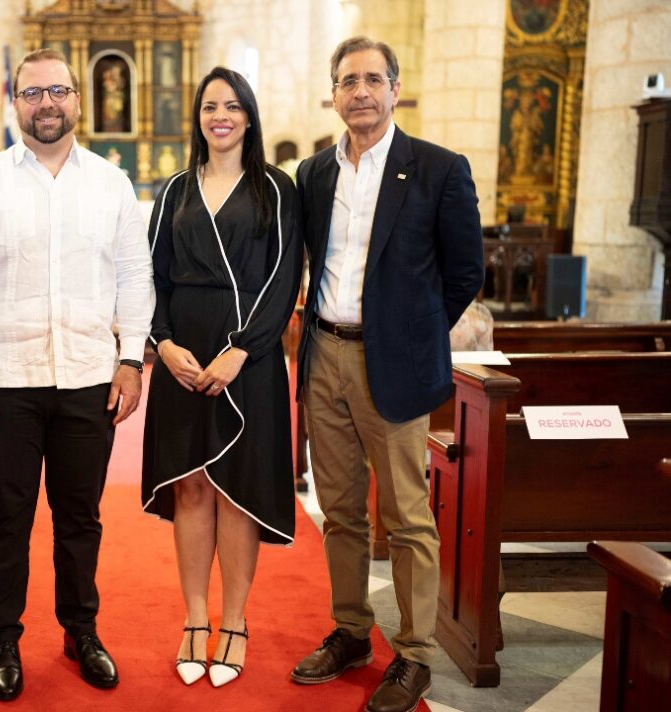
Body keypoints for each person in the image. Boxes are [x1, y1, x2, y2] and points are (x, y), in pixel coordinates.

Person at [0, 48, 154, 702]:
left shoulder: (111, 184)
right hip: (5, 379)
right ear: (16, 103)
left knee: (80, 517)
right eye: (33, 93)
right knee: (6, 516)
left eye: (58, 91)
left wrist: (130, 358)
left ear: (78, 99)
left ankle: (80, 631)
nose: (47, 104)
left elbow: (134, 275)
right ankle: (3, 638)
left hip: (88, 375)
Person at [291, 37, 484, 712]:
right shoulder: (314, 173)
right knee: (340, 510)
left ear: (395, 90)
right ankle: (351, 631)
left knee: (406, 516)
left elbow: (465, 271)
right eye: (349, 81)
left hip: (393, 362)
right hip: (324, 354)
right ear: (334, 95)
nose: (362, 92)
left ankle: (415, 654)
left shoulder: (437, 168)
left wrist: (412, 333)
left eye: (374, 80)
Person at [141, 66, 303, 689]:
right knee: (190, 487)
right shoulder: (174, 191)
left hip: (247, 360)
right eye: (211, 106)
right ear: (198, 117)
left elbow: (284, 277)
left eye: (233, 106)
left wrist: (243, 350)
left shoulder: (276, 189)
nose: (221, 116)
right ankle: (194, 616)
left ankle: (234, 620)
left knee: (236, 491)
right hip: (183, 359)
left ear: (250, 116)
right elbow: (152, 276)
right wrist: (164, 343)